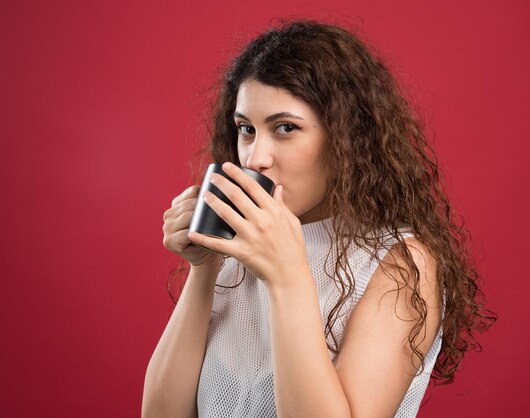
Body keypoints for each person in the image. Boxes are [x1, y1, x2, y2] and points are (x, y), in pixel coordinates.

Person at [142, 19, 496, 418]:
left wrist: (287, 276)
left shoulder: (401, 265)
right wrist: (205, 267)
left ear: (345, 138)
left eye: (285, 128)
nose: (256, 158)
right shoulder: (238, 254)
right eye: (246, 129)